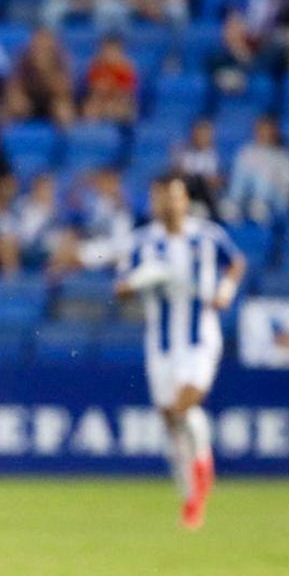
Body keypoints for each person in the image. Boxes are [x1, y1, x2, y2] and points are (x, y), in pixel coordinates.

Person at [115, 173, 245, 530]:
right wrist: (143, 279)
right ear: (153, 202)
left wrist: (226, 291)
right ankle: (191, 496)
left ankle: (202, 462)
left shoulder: (207, 236)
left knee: (183, 404)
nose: (169, 204)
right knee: (171, 422)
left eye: (174, 197)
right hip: (160, 345)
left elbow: (236, 263)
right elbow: (121, 287)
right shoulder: (142, 242)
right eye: (161, 198)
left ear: (185, 199)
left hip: (200, 337)